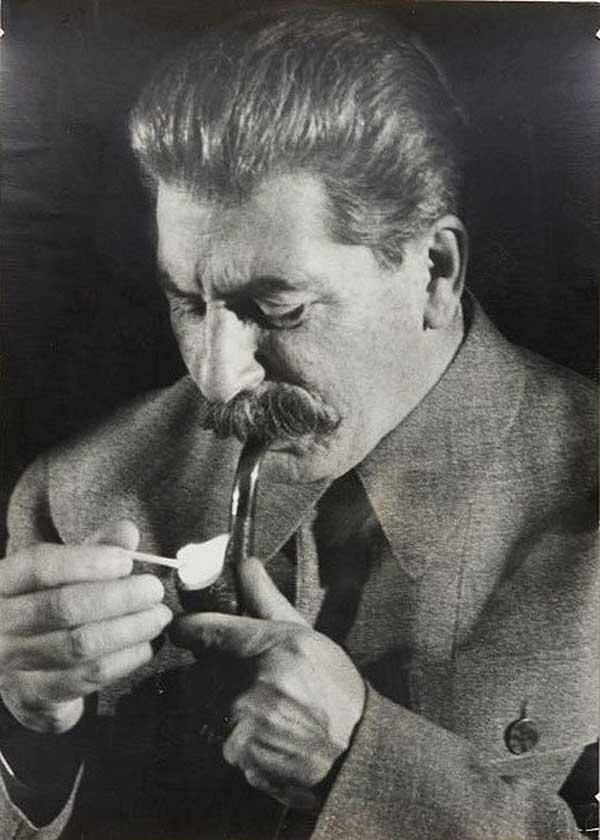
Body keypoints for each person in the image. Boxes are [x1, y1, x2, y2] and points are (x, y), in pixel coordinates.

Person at [1, 6, 597, 839]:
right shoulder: (73, 495)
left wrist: (367, 768)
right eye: (188, 302)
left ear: (435, 271)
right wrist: (29, 739)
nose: (216, 376)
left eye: (277, 309)